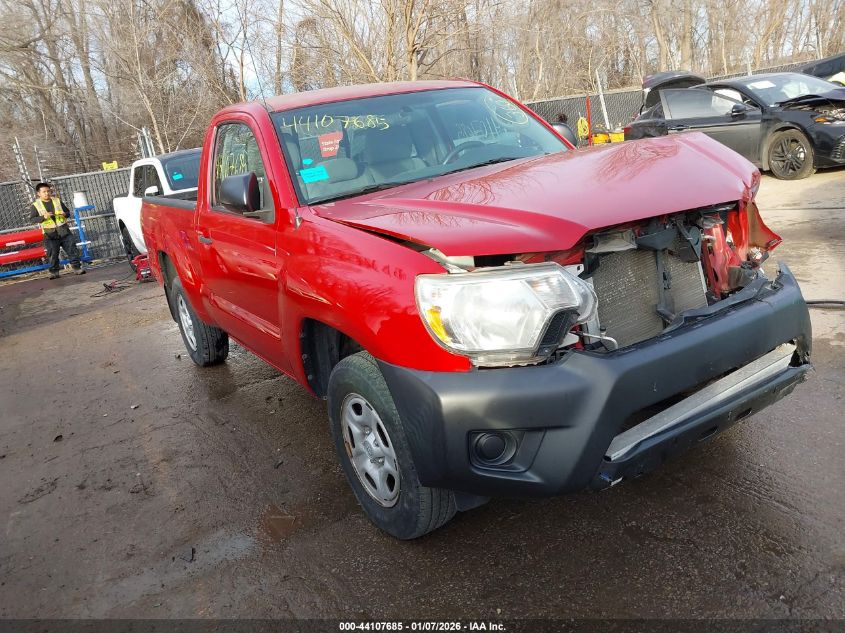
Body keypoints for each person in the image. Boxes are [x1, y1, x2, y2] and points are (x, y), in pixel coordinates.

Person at [29, 182, 85, 279]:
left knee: (72, 250)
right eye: (44, 192)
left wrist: (64, 214)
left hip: (63, 231)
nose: (47, 193)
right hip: (49, 233)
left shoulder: (57, 201)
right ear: (38, 193)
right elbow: (32, 219)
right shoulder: (35, 205)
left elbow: (67, 212)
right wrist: (43, 217)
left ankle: (77, 268)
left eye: (48, 191)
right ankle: (54, 272)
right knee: (52, 254)